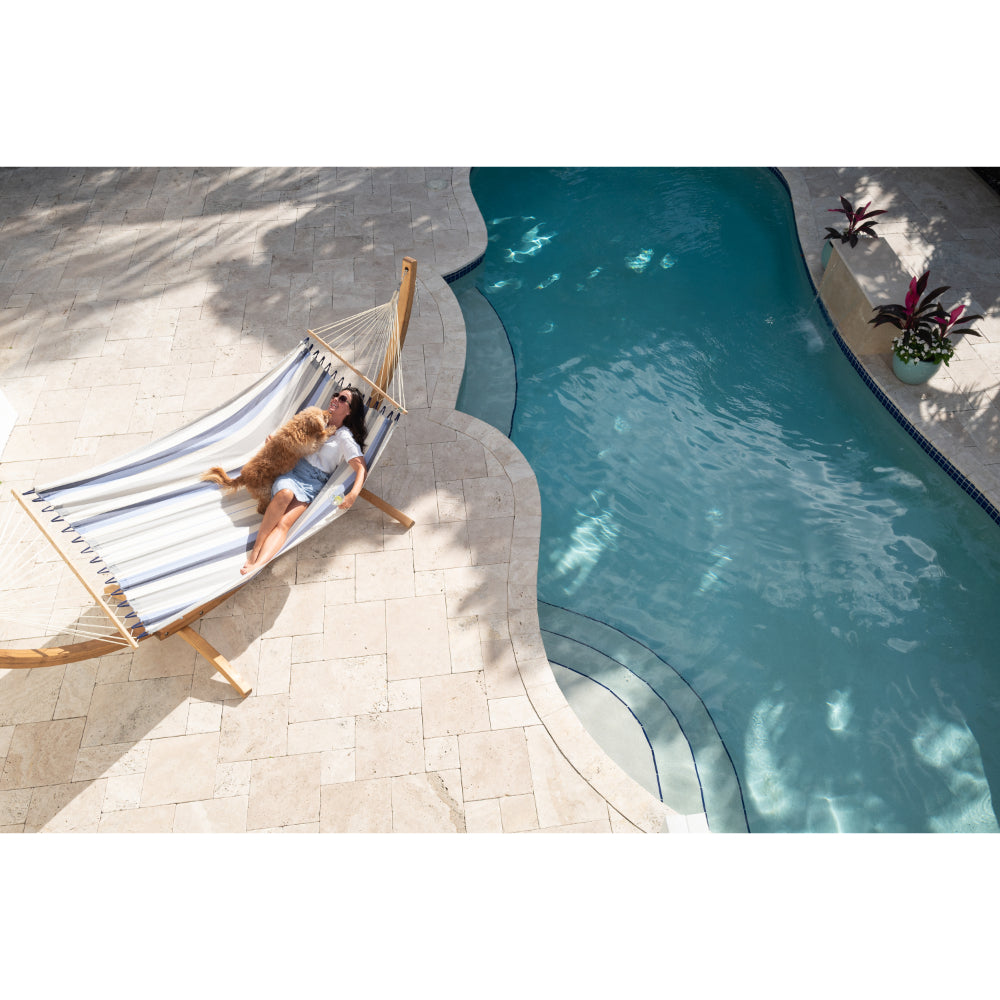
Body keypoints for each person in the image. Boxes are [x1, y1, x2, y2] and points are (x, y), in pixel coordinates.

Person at [240, 385, 368, 575]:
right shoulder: (315, 417)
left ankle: (258, 565)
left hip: (313, 483)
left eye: (343, 399)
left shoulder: (344, 437)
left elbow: (361, 468)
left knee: (284, 523)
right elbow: (292, 437)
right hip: (294, 470)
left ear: (349, 411)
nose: (335, 399)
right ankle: (255, 552)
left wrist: (353, 494)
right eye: (336, 395)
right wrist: (275, 444)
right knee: (285, 494)